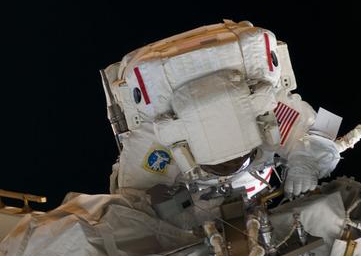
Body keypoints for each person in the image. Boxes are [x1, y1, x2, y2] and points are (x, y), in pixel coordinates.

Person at [103, 20, 344, 208]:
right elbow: (133, 199)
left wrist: (305, 162)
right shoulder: (159, 136)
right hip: (194, 215)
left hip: (251, 196)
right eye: (223, 165)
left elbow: (322, 128)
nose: (231, 169)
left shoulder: (265, 109)